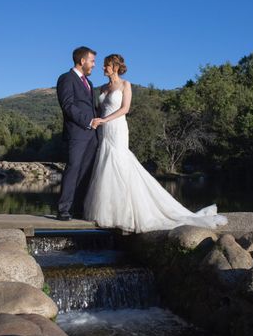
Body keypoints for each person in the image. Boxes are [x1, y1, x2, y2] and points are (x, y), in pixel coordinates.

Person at [83, 54, 228, 233]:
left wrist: (104, 120)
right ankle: (110, 211)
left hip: (117, 128)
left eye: (106, 65)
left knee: (119, 164)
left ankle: (126, 212)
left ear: (114, 66)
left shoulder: (125, 85)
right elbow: (99, 108)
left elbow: (125, 109)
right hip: (104, 131)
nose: (103, 68)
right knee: (106, 165)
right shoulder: (103, 88)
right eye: (104, 65)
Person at [55, 46, 99, 221]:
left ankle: (79, 209)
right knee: (73, 169)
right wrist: (87, 121)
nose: (94, 65)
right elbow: (67, 105)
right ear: (82, 61)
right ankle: (63, 209)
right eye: (92, 61)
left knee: (86, 172)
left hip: (92, 135)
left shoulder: (90, 83)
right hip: (77, 132)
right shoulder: (66, 79)